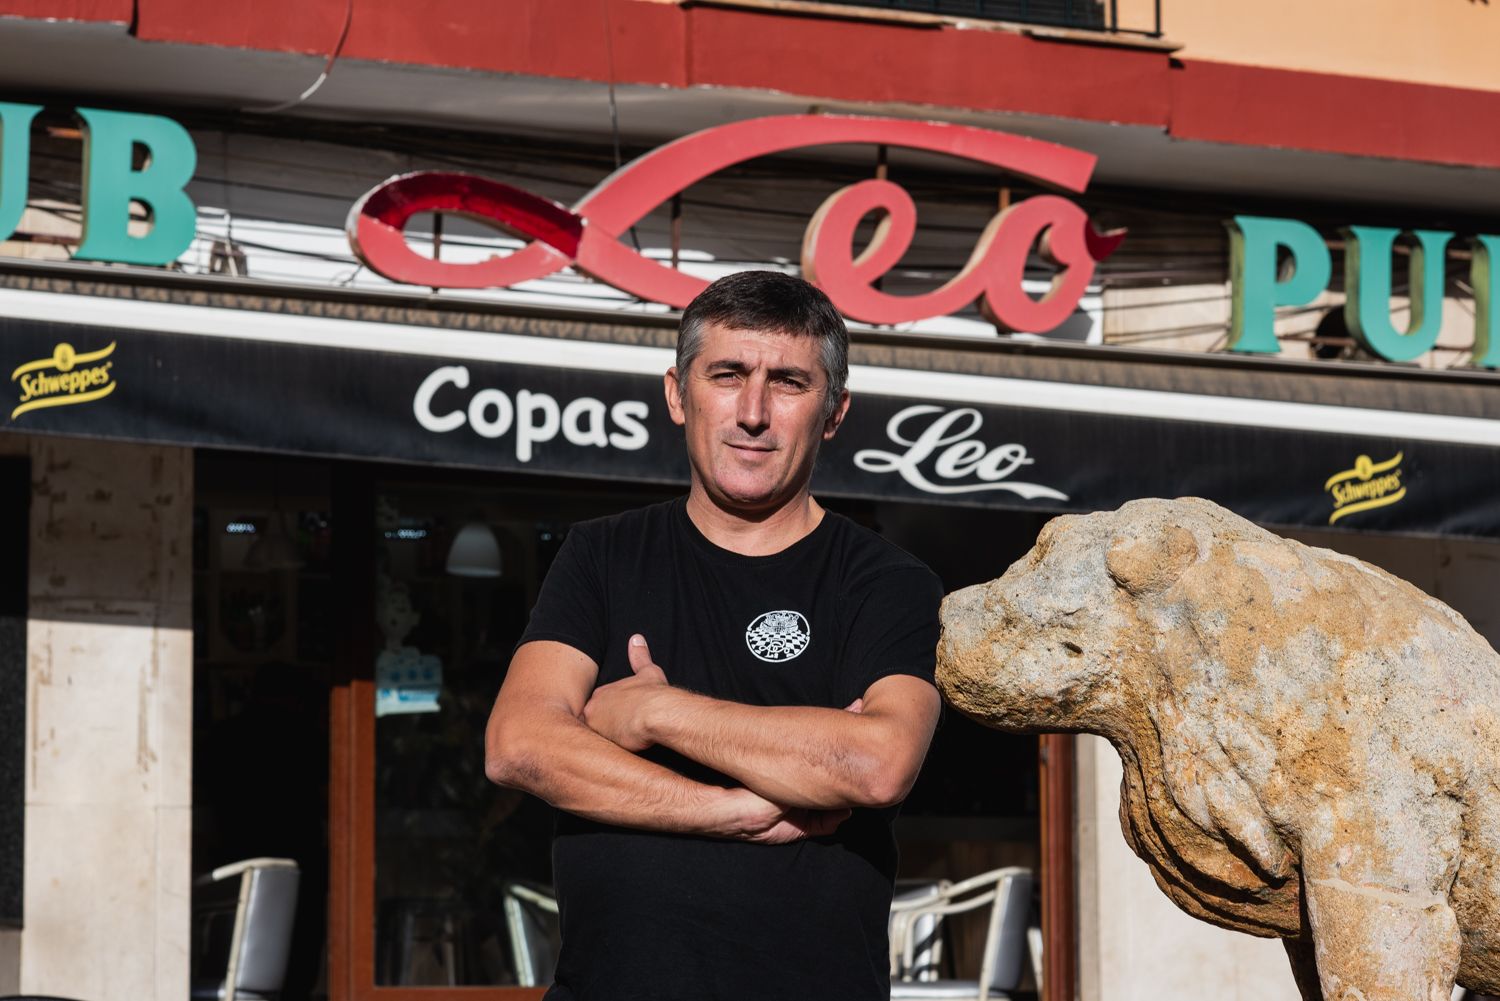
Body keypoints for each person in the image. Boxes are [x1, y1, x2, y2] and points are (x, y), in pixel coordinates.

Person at [484, 270, 944, 1001]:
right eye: (727, 375)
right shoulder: (601, 556)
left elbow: (875, 763)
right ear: (677, 392)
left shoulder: (887, 581)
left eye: (789, 382)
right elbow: (519, 745)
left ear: (833, 410)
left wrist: (652, 713)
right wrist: (732, 810)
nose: (753, 412)